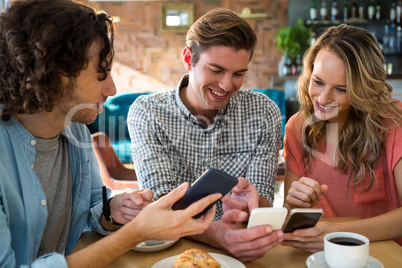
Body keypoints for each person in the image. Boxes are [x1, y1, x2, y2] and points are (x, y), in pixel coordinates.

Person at [0, 1, 222, 267]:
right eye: (100, 74)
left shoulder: (75, 130)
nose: (113, 88)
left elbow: (91, 208)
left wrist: (113, 211)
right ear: (53, 75)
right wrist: (135, 233)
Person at [128, 8, 283, 262]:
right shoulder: (148, 113)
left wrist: (251, 207)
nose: (226, 85)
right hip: (173, 254)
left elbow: (263, 203)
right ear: (189, 59)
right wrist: (216, 234)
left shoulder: (264, 112)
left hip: (245, 253)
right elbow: (163, 208)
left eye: (239, 74)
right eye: (215, 70)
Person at [281, 24, 402, 253]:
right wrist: (294, 204)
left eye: (341, 89)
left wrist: (339, 234)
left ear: (363, 89)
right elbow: (290, 217)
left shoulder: (394, 121)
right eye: (317, 82)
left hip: (386, 255)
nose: (323, 99)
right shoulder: (297, 127)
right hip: (320, 256)